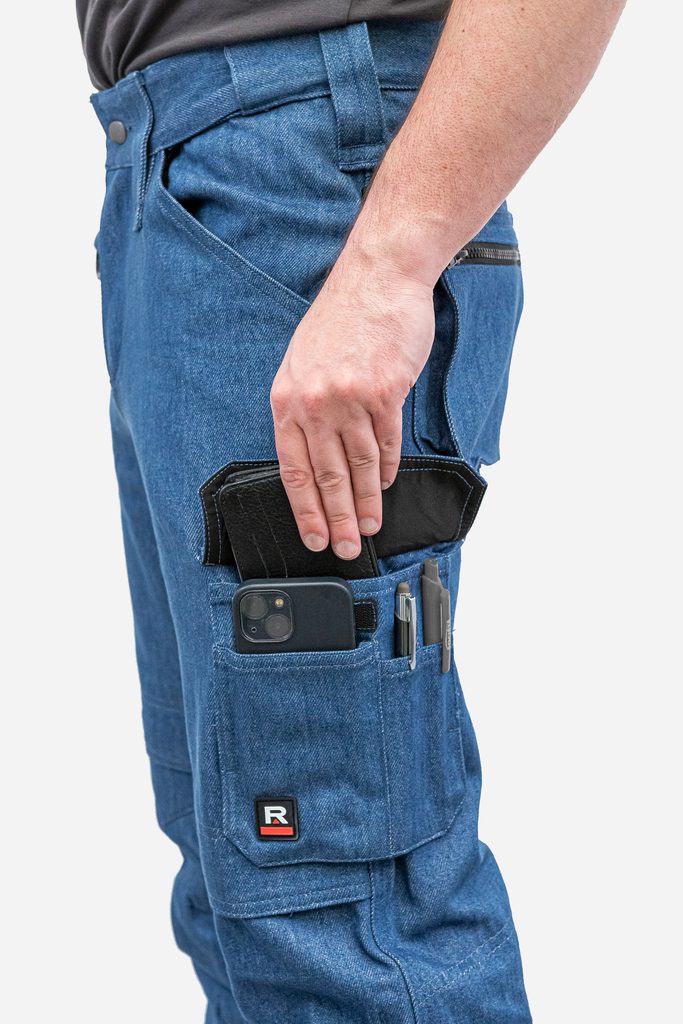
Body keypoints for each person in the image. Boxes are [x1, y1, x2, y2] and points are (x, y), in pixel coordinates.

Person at [78, 1, 624, 1020]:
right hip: (190, 168)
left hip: (299, 178)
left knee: (339, 919)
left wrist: (390, 261)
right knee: (242, 897)